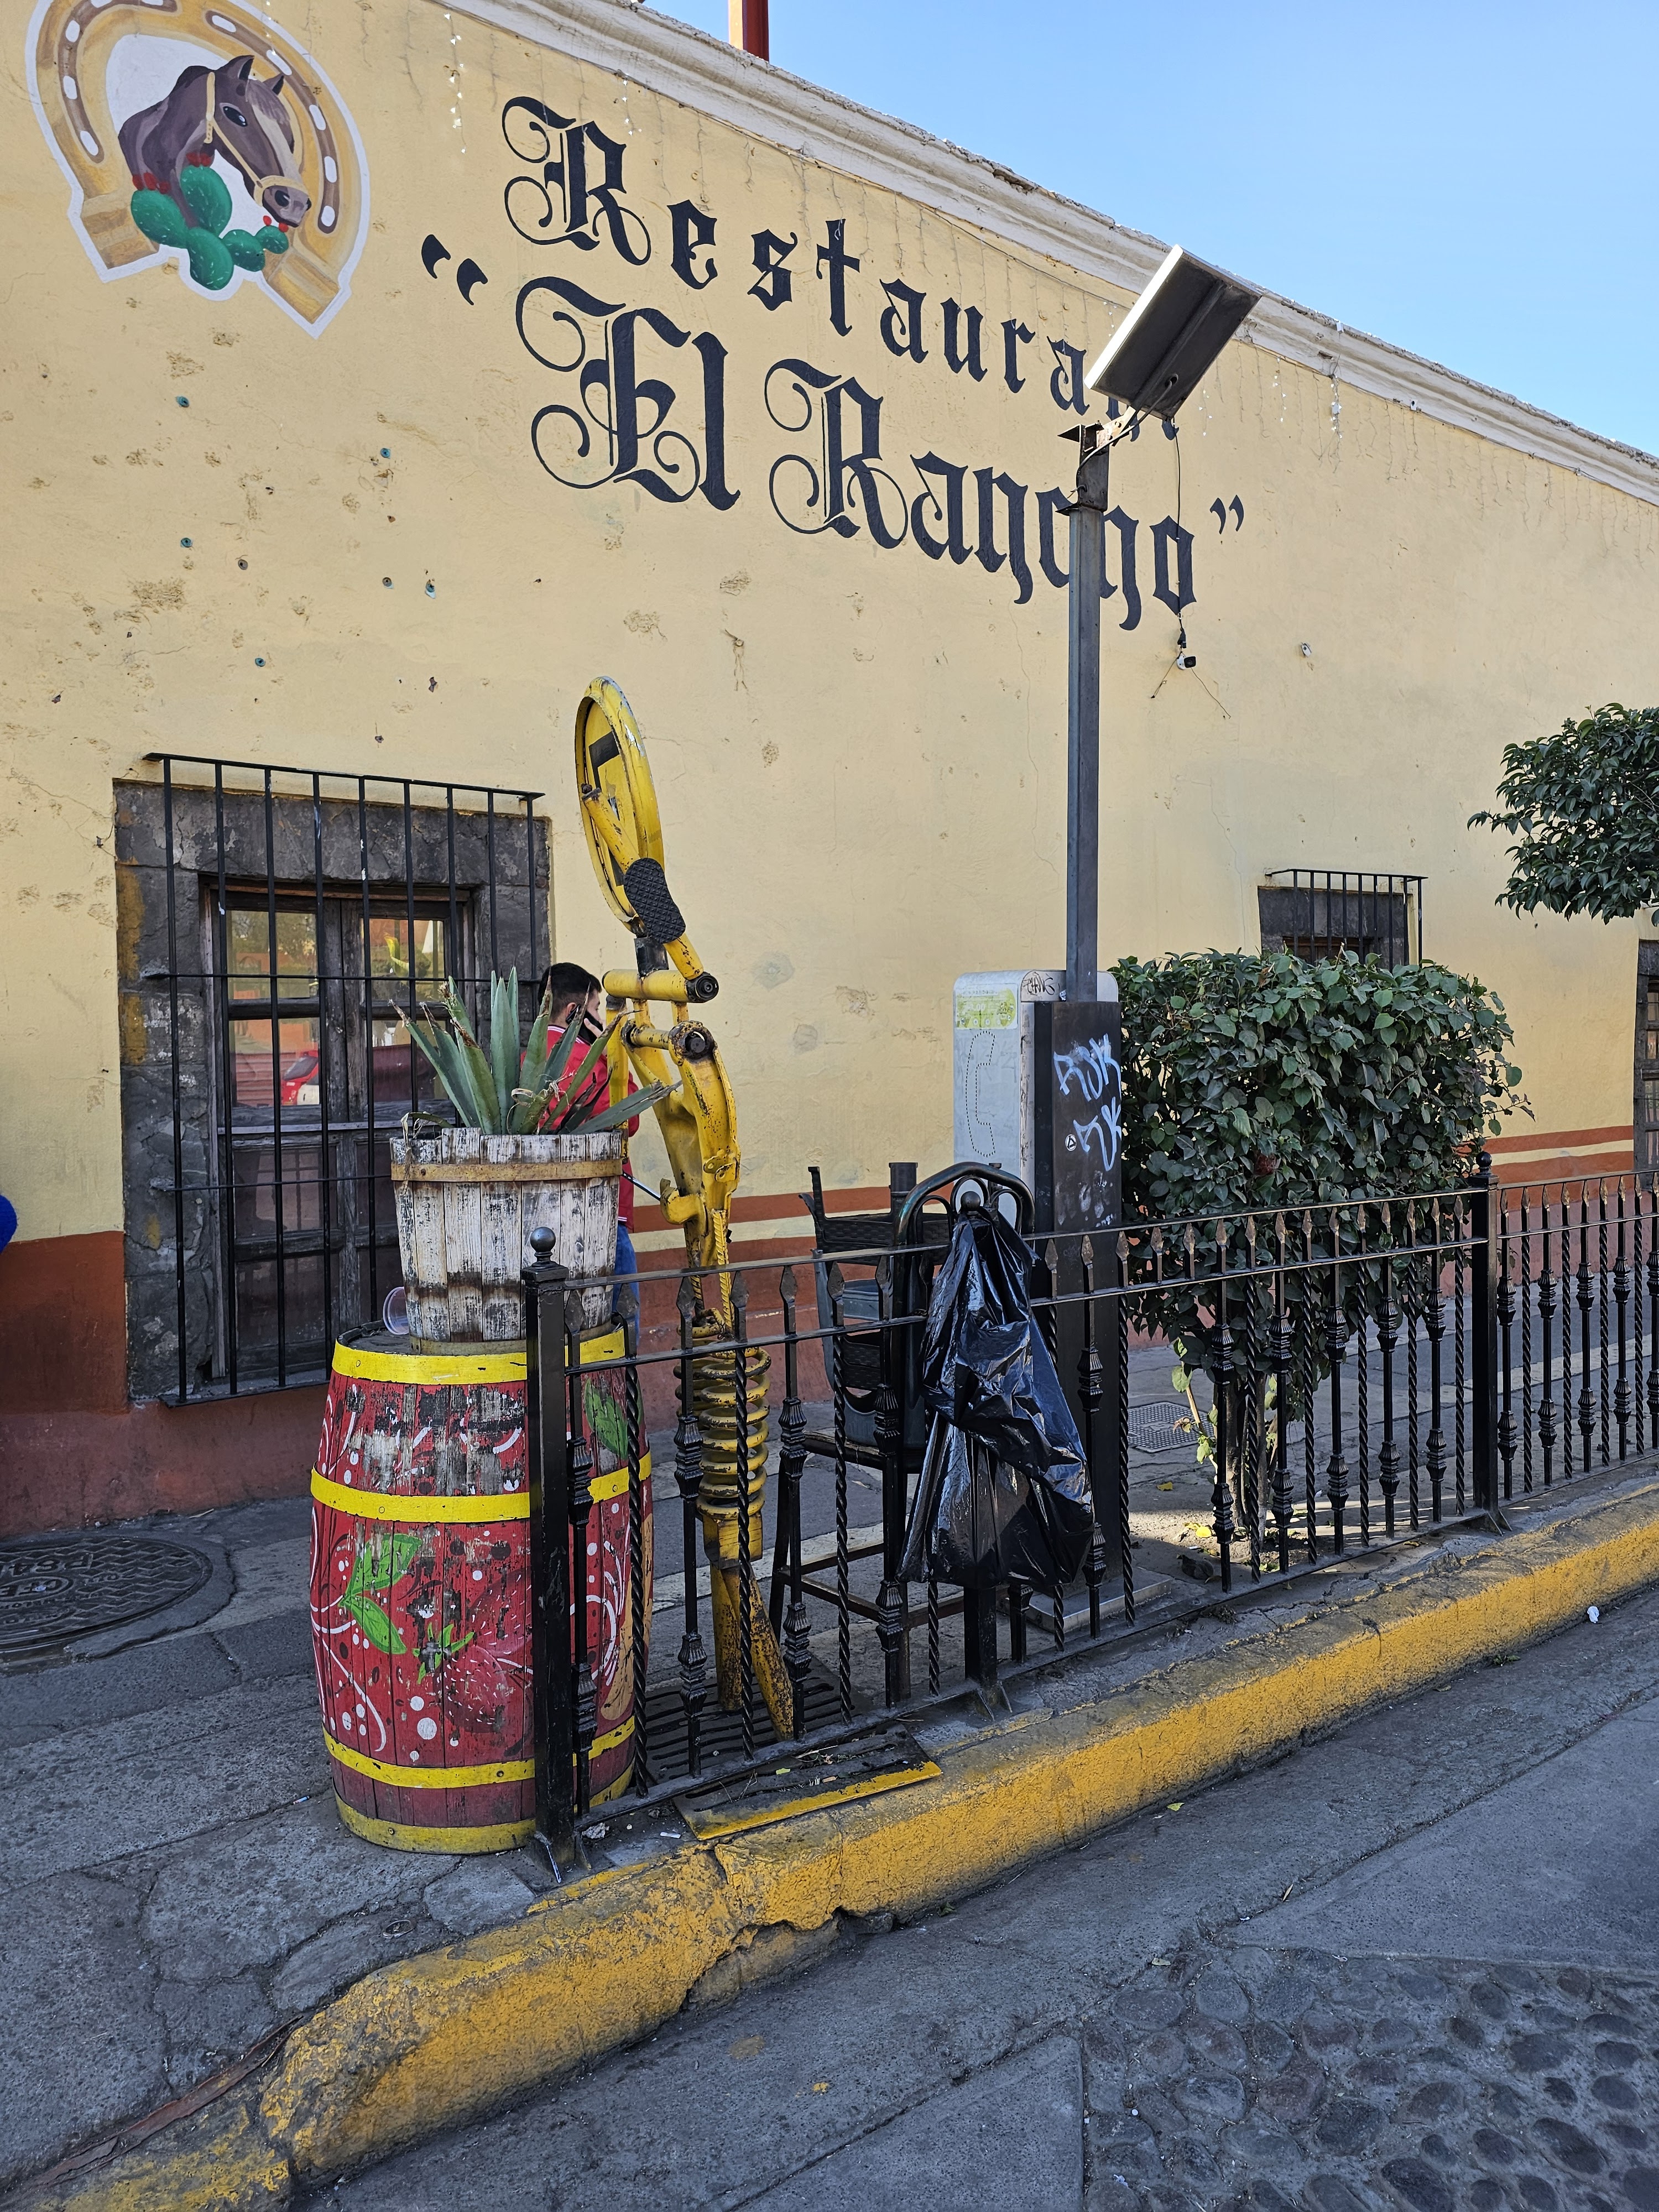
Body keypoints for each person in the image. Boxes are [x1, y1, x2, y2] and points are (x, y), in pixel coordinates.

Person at [536, 962, 640, 1302]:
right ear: (574, 1012)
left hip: (545, 1214)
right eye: (595, 1009)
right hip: (600, 1205)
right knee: (621, 1314)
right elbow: (629, 1119)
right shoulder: (586, 1060)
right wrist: (610, 1054)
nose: (600, 1019)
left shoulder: (526, 1060)